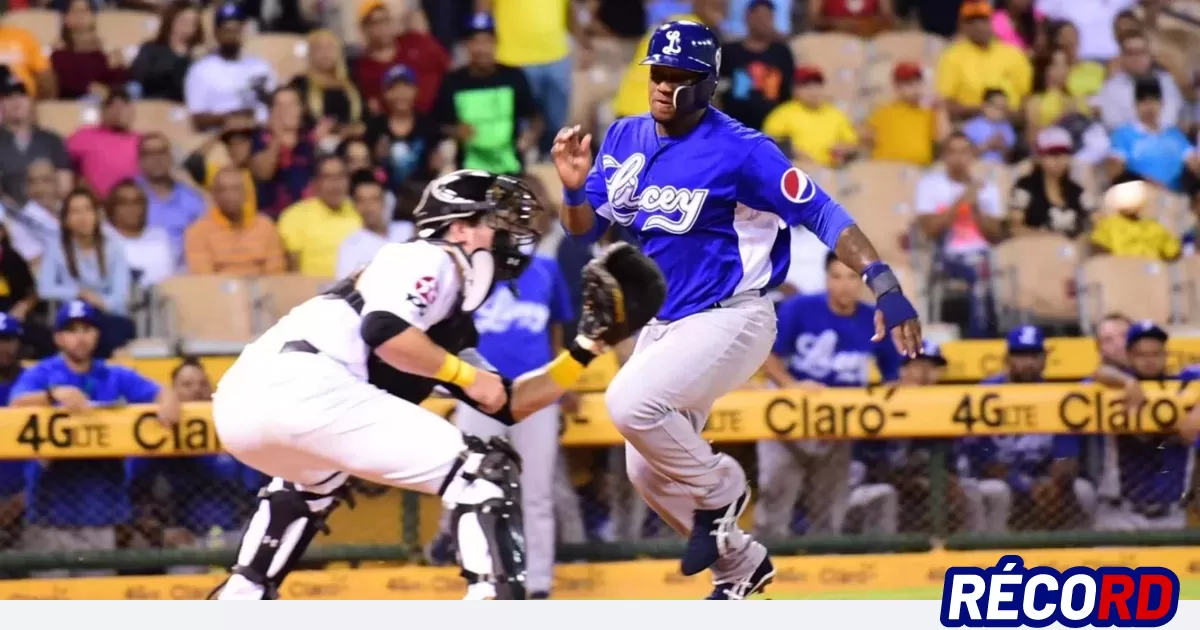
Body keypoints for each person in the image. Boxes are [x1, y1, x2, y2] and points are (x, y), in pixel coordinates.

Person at [551, 20, 922, 599]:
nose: (661, 83)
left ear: (706, 84)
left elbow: (823, 213)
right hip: (665, 323)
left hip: (734, 314)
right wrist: (574, 190)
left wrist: (885, 282)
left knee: (628, 403)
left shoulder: (744, 151)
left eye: (677, 75)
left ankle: (722, 487)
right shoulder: (624, 136)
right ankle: (741, 566)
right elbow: (584, 230)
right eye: (656, 71)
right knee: (644, 468)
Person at [207, 170, 651, 600]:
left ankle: (242, 596)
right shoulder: (433, 257)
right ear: (460, 229)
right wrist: (462, 375)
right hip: (307, 386)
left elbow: (506, 400)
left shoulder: (445, 313)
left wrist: (586, 348)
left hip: (249, 404)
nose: (510, 235)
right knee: (482, 471)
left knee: (313, 484)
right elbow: (383, 330)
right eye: (496, 222)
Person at [431, 206, 579, 598]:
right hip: (478, 391)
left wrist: (562, 381)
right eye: (506, 221)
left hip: (535, 394)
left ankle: (538, 585)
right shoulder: (472, 270)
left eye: (521, 221)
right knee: (465, 482)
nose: (514, 228)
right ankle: (475, 574)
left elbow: (558, 329)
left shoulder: (546, 269)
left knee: (536, 492)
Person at [8, 300, 179, 577]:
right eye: (72, 330)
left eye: (87, 329)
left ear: (97, 335)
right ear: (58, 338)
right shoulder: (42, 373)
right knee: (49, 605)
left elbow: (161, 392)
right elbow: (15, 405)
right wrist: (52, 396)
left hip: (101, 512)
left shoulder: (114, 373)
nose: (80, 337)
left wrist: (169, 400)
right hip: (49, 512)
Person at [754, 252, 903, 538]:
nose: (844, 285)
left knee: (829, 509)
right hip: (789, 419)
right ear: (826, 278)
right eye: (836, 277)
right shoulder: (800, 308)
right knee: (775, 498)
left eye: (851, 278)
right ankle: (768, 566)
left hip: (838, 424)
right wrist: (789, 384)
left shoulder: (874, 319)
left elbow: (893, 376)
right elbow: (764, 353)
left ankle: (823, 569)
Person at [960, 326, 1097, 532]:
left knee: (1083, 491)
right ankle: (991, 555)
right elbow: (984, 459)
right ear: (1008, 359)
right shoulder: (986, 393)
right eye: (1021, 356)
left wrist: (1056, 483)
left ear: (1044, 360)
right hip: (999, 478)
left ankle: (1078, 555)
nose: (1028, 363)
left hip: (1043, 479)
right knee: (997, 492)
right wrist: (1025, 485)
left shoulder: (1056, 397)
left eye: (1034, 356)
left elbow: (1066, 455)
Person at [432, 13, 541, 176]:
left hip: (511, 169)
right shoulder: (453, 82)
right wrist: (455, 131)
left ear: (496, 43)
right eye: (475, 41)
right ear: (466, 46)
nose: (482, 48)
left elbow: (536, 118)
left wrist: (529, 137)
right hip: (468, 172)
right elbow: (437, 125)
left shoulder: (513, 77)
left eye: (487, 41)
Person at [38, 188, 135, 358]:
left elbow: (120, 296)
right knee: (50, 336)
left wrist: (100, 302)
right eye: (75, 211)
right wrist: (79, 293)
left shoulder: (113, 247)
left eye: (87, 209)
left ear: (97, 215)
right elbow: (45, 288)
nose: (83, 217)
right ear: (66, 220)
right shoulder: (55, 248)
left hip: (104, 315)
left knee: (118, 330)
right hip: (71, 315)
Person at [183, 1, 277, 132]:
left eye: (236, 29)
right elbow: (197, 118)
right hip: (221, 136)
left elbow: (276, 103)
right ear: (217, 33)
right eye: (227, 30)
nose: (232, 35)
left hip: (261, 133)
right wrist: (230, 118)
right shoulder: (201, 70)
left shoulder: (260, 66)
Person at [935, 0, 1032, 121]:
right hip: (969, 123)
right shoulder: (952, 57)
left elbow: (1026, 98)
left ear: (992, 22)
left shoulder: (1014, 54)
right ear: (963, 26)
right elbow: (946, 103)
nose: (979, 26)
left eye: (983, 20)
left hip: (1011, 122)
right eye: (971, 21)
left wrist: (1009, 114)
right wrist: (980, 109)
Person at [185, 166, 287, 276]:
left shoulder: (266, 227)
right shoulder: (198, 231)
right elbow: (204, 278)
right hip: (217, 291)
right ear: (214, 195)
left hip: (261, 290)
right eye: (223, 189)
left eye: (235, 189)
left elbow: (276, 274)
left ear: (245, 193)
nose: (230, 196)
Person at [276, 155, 362, 278]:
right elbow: (291, 271)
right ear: (315, 183)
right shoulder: (295, 216)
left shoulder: (360, 211)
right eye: (328, 177)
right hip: (314, 293)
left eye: (340, 177)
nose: (335, 184)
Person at [718, 0, 795, 132]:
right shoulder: (728, 52)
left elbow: (789, 91)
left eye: (768, 17)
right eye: (759, 16)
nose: (763, 22)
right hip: (733, 128)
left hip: (774, 129)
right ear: (747, 17)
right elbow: (716, 91)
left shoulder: (782, 52)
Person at [762, 65, 858, 167]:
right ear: (795, 90)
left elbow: (852, 144)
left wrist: (844, 149)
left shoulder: (836, 114)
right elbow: (766, 146)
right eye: (806, 86)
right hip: (795, 171)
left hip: (830, 172)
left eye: (817, 85)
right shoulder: (782, 114)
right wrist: (791, 152)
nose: (813, 91)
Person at [1007, 127, 1091, 239]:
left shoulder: (1076, 191)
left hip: (1073, 251)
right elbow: (1014, 229)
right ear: (1038, 158)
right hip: (1036, 250)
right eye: (1052, 154)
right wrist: (1049, 238)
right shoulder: (1025, 188)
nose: (1059, 160)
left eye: (1064, 154)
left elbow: (1094, 222)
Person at [862, 62, 944, 166]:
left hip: (918, 168)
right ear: (897, 87)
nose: (915, 88)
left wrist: (941, 109)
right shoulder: (883, 111)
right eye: (909, 84)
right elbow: (864, 136)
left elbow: (941, 140)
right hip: (886, 169)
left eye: (918, 82)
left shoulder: (929, 113)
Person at [335, 170, 413, 279]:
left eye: (374, 199)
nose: (368, 207)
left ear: (384, 201)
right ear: (355, 206)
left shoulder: (407, 230)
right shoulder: (350, 246)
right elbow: (345, 289)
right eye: (362, 201)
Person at [66, 88, 140, 198]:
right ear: (102, 111)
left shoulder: (142, 141)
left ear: (132, 111)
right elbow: (61, 161)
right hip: (94, 206)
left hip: (132, 204)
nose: (118, 111)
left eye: (123, 106)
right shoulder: (84, 136)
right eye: (112, 106)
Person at [289, 29, 365, 136]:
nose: (325, 53)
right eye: (319, 48)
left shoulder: (352, 82)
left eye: (330, 47)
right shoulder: (300, 84)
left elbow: (364, 116)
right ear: (310, 53)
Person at [49, 0, 128, 101]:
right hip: (74, 105)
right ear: (66, 18)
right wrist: (88, 87)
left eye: (85, 10)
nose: (81, 15)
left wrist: (118, 67)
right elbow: (64, 82)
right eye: (75, 11)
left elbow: (117, 86)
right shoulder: (59, 55)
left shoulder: (102, 56)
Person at [129, 0, 205, 102]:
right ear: (171, 20)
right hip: (151, 103)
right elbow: (139, 77)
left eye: (193, 23)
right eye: (183, 21)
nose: (188, 27)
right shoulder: (150, 49)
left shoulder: (197, 56)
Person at [105, 179, 175, 289]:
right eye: (124, 203)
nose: (131, 208)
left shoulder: (160, 236)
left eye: (137, 202)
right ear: (111, 207)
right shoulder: (102, 237)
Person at [961, 88, 1017, 163]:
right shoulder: (971, 127)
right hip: (976, 166)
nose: (1000, 111)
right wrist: (987, 145)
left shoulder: (1007, 127)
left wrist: (1002, 147)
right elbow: (965, 155)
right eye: (997, 106)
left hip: (1000, 168)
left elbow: (1009, 158)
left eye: (1003, 108)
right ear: (985, 106)